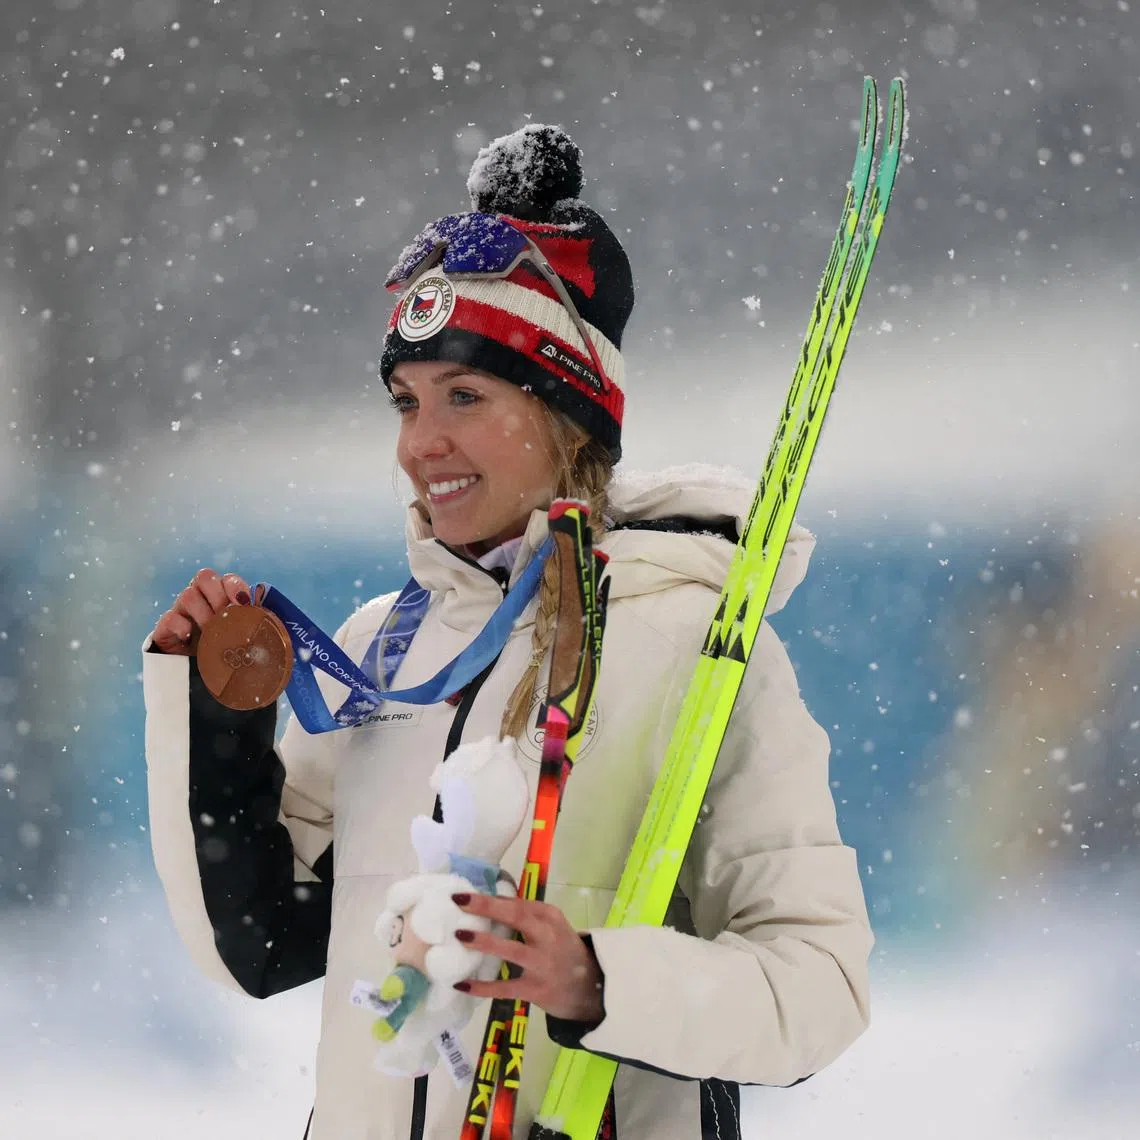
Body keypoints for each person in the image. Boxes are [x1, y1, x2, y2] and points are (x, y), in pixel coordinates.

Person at [144, 124, 872, 1140]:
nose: (418, 444)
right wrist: (216, 717)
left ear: (568, 415)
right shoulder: (383, 647)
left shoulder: (700, 642)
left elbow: (819, 986)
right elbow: (263, 944)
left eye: (465, 397)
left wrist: (594, 980)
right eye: (405, 402)